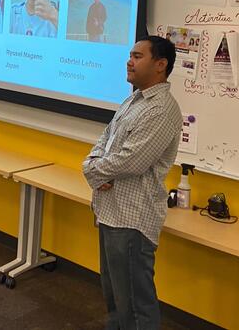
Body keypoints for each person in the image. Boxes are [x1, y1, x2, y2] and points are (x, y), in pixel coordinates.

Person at [83, 36, 182, 330]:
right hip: (111, 211)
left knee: (136, 308)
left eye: (138, 56)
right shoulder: (133, 100)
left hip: (132, 219)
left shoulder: (162, 109)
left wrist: (94, 172)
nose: (129, 61)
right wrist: (93, 169)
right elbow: (106, 139)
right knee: (116, 300)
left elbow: (132, 160)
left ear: (160, 65)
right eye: (130, 55)